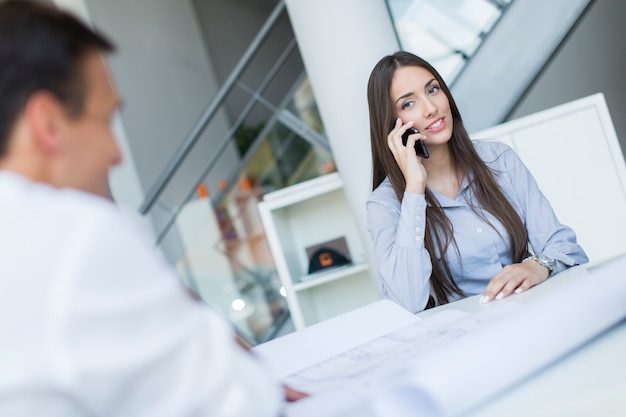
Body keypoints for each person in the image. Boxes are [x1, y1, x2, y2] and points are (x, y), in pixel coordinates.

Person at [0, 1, 302, 415]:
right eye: (105, 121)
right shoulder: (74, 237)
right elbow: (242, 404)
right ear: (48, 124)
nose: (115, 154)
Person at [366, 51, 588, 313]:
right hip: (469, 337)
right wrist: (414, 189)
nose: (431, 108)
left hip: (535, 312)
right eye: (408, 104)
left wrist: (537, 265)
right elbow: (406, 302)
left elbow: (565, 247)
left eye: (433, 90)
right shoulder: (385, 204)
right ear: (393, 126)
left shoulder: (498, 159)